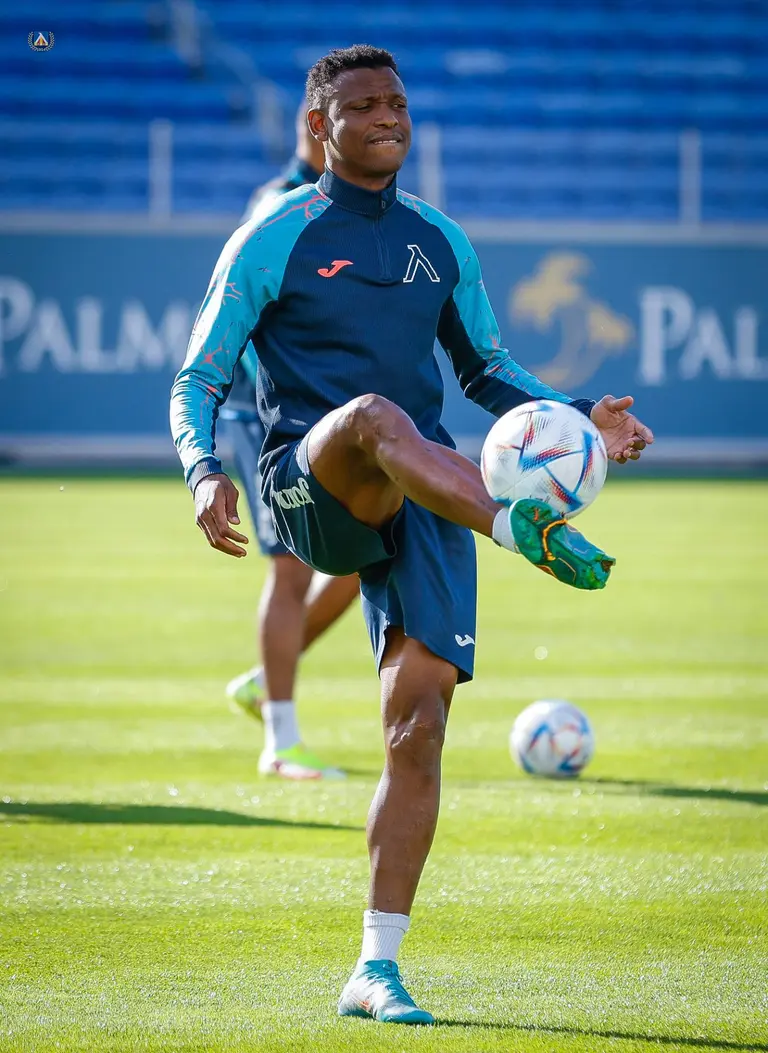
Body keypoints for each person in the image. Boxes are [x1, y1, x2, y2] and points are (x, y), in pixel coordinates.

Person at [171, 45, 653, 1025]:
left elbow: (487, 370)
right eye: (363, 105)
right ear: (320, 126)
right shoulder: (272, 237)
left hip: (427, 492)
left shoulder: (439, 239)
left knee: (418, 727)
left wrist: (577, 414)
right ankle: (518, 528)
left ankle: (375, 969)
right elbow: (198, 377)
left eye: (397, 102)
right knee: (377, 417)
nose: (388, 116)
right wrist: (203, 469)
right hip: (312, 480)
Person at [221, 102, 360, 781]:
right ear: (319, 129)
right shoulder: (279, 203)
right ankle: (280, 743)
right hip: (264, 412)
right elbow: (246, 309)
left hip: (318, 416)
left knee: (361, 556)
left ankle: (263, 678)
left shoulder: (349, 206)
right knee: (291, 569)